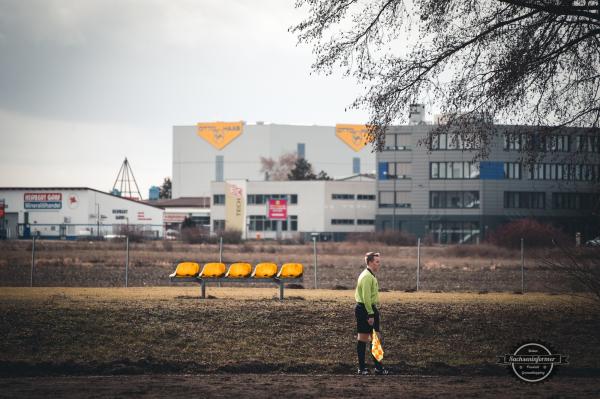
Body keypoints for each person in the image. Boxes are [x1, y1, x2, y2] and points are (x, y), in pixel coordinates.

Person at [354, 251, 390, 375]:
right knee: (365, 339)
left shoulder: (370, 275)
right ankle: (363, 368)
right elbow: (366, 297)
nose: (379, 264)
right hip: (365, 309)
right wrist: (370, 314)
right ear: (370, 262)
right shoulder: (366, 277)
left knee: (375, 338)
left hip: (368, 308)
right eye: (377, 262)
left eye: (379, 261)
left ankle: (377, 368)